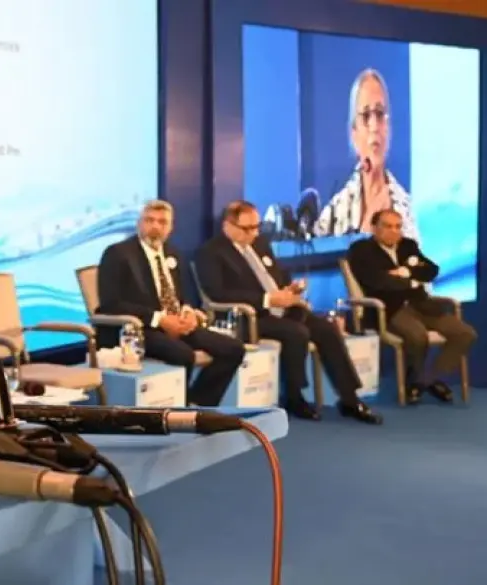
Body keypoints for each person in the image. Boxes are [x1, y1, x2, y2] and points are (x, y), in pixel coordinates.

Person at [196, 201, 382, 424]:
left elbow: (277, 275)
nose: (254, 233)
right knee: (296, 332)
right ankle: (295, 396)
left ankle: (350, 398)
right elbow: (217, 293)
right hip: (248, 317)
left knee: (326, 329)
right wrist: (267, 299)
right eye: (247, 228)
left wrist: (290, 290)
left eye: (257, 227)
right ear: (228, 225)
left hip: (281, 308)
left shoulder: (260, 244)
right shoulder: (211, 252)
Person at [96, 200, 245, 407]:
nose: (155, 226)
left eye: (162, 222)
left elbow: (183, 295)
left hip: (176, 324)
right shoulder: (118, 254)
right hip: (140, 328)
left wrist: (188, 312)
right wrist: (160, 320)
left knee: (233, 349)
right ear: (139, 223)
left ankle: (198, 402)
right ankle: (179, 412)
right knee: (183, 354)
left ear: (171, 227)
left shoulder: (173, 253)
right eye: (149, 220)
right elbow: (111, 303)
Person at [346, 209, 476, 404]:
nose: (394, 231)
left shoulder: (408, 246)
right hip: (389, 309)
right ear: (374, 228)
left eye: (398, 227)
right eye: (387, 226)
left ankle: (425, 380)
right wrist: (413, 280)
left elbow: (431, 271)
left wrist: (404, 273)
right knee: (417, 336)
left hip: (421, 304)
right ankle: (415, 382)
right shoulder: (361, 250)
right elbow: (377, 282)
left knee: (465, 333)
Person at [313, 69, 419, 240]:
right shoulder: (335, 213)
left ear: (388, 128)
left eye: (380, 114)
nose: (374, 126)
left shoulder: (404, 209)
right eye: (366, 115)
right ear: (354, 133)